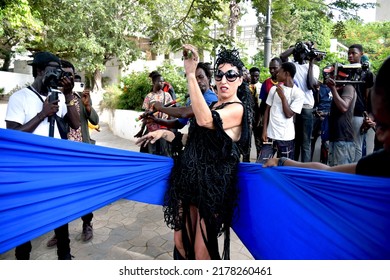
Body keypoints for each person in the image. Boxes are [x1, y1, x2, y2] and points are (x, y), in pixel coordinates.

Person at [136, 45, 251, 260]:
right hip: (188, 181)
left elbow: (205, 121)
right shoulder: (213, 105)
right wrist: (163, 134)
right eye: (220, 75)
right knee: (181, 244)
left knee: (201, 252)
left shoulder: (237, 109)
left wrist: (190, 73)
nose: (224, 80)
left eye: (231, 75)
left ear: (240, 80)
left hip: (212, 189)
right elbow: (193, 138)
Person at [5, 51, 80, 260]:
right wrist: (42, 114)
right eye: (52, 70)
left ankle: (65, 255)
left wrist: (67, 95)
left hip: (55, 166)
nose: (57, 75)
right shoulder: (19, 98)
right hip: (28, 168)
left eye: (59, 70)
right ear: (38, 71)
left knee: (60, 213)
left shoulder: (57, 95)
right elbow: (12, 135)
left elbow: (74, 124)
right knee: (25, 217)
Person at [263, 56, 390, 178]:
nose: (379, 134)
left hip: (343, 139)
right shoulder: (378, 162)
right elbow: (328, 171)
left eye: (385, 126)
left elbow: (344, 107)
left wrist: (333, 89)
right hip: (336, 138)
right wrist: (283, 161)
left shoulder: (349, 88)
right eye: (378, 123)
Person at [46, 61, 99, 248]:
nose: (66, 78)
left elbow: (95, 120)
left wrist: (88, 107)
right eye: (64, 74)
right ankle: (59, 232)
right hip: (61, 155)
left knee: (84, 191)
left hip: (81, 153)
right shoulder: (52, 97)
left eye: (70, 75)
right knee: (61, 194)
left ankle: (87, 223)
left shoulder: (78, 98)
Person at [280, 41, 320, 162]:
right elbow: (282, 56)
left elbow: (310, 85)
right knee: (294, 140)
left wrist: (311, 62)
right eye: (298, 52)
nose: (299, 54)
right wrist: (297, 46)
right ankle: (294, 165)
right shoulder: (292, 65)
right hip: (292, 107)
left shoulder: (314, 67)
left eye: (302, 52)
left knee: (305, 142)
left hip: (306, 107)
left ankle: (305, 168)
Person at [148, 62, 218, 130]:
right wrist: (156, 120)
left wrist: (161, 108)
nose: (198, 81)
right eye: (194, 79)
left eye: (201, 77)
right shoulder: (192, 100)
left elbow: (184, 113)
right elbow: (179, 123)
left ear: (208, 78)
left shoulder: (211, 98)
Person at [258, 62, 304, 162]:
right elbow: (267, 110)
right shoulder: (273, 89)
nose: (276, 74)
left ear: (287, 74)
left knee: (285, 167)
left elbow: (289, 114)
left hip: (286, 137)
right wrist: (264, 130)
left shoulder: (298, 93)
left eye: (279, 72)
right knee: (261, 164)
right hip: (270, 135)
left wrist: (283, 97)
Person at [347, 44, 375, 162]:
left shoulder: (367, 74)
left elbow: (369, 97)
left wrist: (368, 116)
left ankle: (355, 171)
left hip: (358, 113)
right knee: (346, 144)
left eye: (354, 53)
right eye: (349, 53)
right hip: (345, 113)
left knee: (357, 145)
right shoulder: (345, 70)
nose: (350, 56)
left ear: (361, 54)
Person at [140, 73, 173, 156]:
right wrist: (141, 129)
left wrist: (172, 128)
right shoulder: (149, 96)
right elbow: (146, 115)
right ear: (154, 83)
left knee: (165, 152)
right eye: (160, 81)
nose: (162, 83)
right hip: (151, 129)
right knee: (152, 152)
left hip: (163, 128)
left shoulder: (167, 95)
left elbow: (172, 112)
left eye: (163, 81)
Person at [311, 75, 333, 164]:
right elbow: (315, 102)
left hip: (328, 115)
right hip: (318, 114)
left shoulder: (335, 87)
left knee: (325, 142)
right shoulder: (319, 87)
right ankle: (309, 162)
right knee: (312, 139)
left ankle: (324, 163)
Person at [249, 66, 262, 158]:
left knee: (258, 140)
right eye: (253, 76)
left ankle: (259, 158)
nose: (254, 78)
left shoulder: (261, 87)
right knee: (247, 140)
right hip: (249, 116)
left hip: (258, 115)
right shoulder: (246, 87)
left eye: (256, 76)